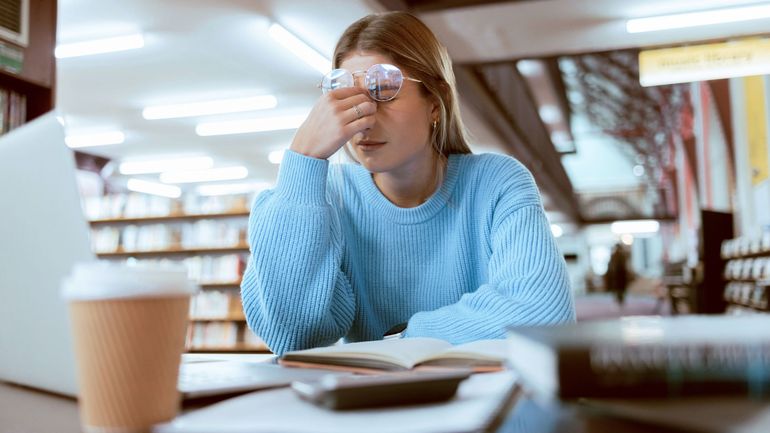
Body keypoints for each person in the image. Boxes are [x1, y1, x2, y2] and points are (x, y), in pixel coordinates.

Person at [241, 11, 575, 355]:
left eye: (384, 90)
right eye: (344, 96)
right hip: (369, 402)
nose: (363, 120)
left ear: (435, 101)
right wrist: (303, 160)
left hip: (482, 401)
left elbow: (543, 315)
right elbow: (291, 334)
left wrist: (403, 339)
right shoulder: (326, 198)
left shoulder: (497, 184)